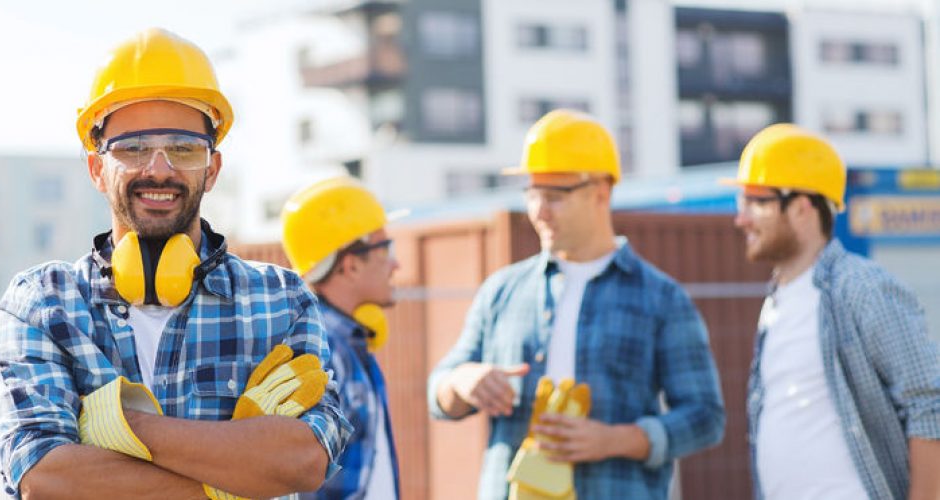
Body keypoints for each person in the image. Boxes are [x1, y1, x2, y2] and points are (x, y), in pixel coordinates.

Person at [0, 28, 351, 499]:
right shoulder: (42, 303)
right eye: (133, 148)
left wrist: (117, 425)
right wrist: (234, 476)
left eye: (183, 149)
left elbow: (304, 461)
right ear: (97, 168)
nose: (158, 169)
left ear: (213, 168)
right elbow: (46, 478)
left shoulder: (280, 299)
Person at [427, 109, 725, 499]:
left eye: (555, 196)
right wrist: (463, 381)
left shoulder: (661, 298)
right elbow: (440, 391)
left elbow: (705, 417)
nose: (538, 210)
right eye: (532, 193)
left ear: (601, 192)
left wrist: (616, 440)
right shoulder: (501, 291)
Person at [728, 123, 940, 499]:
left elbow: (929, 403)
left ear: (802, 207)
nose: (741, 219)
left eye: (758, 201)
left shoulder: (860, 288)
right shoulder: (777, 302)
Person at [280, 177, 402, 499]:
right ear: (350, 266)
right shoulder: (323, 351)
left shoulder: (346, 342)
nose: (396, 263)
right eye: (385, 248)